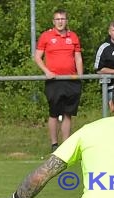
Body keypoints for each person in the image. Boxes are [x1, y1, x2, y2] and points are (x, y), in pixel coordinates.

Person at [34, 8, 84, 152]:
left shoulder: (73, 36)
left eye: (62, 19)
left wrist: (80, 76)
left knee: (68, 113)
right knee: (54, 112)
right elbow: (37, 57)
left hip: (71, 80)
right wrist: (47, 71)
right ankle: (54, 144)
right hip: (54, 80)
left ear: (66, 21)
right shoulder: (46, 36)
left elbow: (78, 57)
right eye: (57, 19)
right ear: (53, 21)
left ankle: (66, 145)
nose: (60, 22)